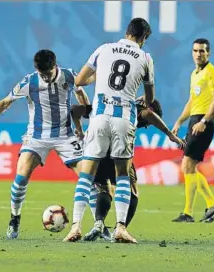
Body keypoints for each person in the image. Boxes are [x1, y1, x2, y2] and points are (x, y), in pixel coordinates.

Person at [0, 49, 90, 238]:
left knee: (88, 178)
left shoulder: (69, 76)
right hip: (36, 137)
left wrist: (84, 118)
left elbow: (81, 94)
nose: (46, 78)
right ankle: (14, 218)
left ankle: (98, 225)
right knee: (21, 176)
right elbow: (5, 102)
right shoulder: (29, 81)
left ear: (55, 66)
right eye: (42, 74)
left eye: (48, 74)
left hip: (65, 135)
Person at [63, 18, 154, 243]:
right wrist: (141, 98)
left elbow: (80, 80)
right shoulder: (145, 57)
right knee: (122, 175)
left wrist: (100, 77)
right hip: (124, 118)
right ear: (143, 38)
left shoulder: (104, 49)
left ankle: (75, 227)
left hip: (100, 117)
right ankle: (120, 228)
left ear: (126, 32)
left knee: (87, 175)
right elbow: (149, 99)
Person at [70, 98, 185, 241]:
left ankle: (98, 223)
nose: (147, 126)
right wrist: (170, 135)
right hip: (118, 150)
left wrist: (80, 132)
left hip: (95, 149)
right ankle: (120, 228)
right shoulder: (133, 109)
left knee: (103, 188)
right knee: (132, 190)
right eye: (149, 124)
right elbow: (148, 114)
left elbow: (74, 110)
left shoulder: (104, 102)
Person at [172, 38, 214, 223]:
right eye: (195, 51)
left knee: (187, 165)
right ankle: (211, 205)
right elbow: (192, 101)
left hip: (204, 121)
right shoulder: (195, 74)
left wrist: (205, 121)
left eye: (202, 51)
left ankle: (189, 212)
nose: (198, 54)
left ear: (208, 53)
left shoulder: (212, 72)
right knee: (189, 166)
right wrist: (179, 121)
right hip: (194, 120)